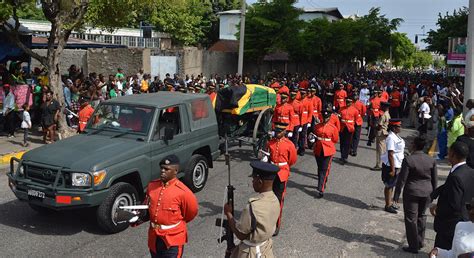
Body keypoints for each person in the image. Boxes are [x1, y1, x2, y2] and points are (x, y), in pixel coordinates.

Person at [131, 155, 198, 258]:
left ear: (175, 171)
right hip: (154, 238)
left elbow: (190, 214)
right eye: (161, 168)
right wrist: (135, 217)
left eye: (166, 169)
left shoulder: (183, 192)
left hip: (173, 239)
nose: (162, 171)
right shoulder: (152, 186)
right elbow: (147, 208)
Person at [224, 161, 280, 258]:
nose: (252, 181)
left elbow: (241, 235)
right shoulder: (275, 200)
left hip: (251, 253)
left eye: (254, 179)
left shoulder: (253, 206)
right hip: (265, 249)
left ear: (260, 182)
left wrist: (229, 214)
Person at [393, 136, 437, 253]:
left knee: (411, 218)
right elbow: (434, 180)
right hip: (427, 192)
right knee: (422, 216)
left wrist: (396, 195)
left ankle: (413, 246)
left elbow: (402, 179)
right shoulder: (431, 160)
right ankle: (420, 241)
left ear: (414, 145)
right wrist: (433, 194)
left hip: (412, 192)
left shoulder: (409, 160)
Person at [431, 141, 474, 249]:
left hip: (449, 226)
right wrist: (437, 192)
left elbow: (454, 205)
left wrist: (437, 209)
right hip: (465, 219)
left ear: (453, 154)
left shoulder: (456, 176)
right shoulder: (469, 171)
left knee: (442, 251)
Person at [266, 122, 297, 235]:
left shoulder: (289, 145)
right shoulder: (271, 143)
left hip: (282, 173)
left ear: (284, 132)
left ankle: (276, 224)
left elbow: (292, 160)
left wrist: (283, 167)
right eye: (277, 131)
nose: (278, 133)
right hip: (271, 172)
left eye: (280, 132)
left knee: (278, 200)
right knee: (268, 197)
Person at [312, 110, 339, 198]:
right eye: (324, 117)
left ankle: (321, 189)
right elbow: (314, 135)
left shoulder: (333, 128)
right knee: (320, 168)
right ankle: (323, 181)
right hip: (318, 149)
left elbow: (335, 139)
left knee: (324, 169)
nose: (325, 119)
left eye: (327, 118)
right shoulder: (317, 126)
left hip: (328, 150)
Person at [380, 118, 405, 214]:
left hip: (397, 163)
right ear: (394, 128)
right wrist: (393, 169)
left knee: (392, 184)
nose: (401, 128)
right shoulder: (391, 137)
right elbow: (390, 154)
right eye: (399, 126)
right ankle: (388, 205)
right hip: (391, 165)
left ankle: (390, 203)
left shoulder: (396, 136)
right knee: (389, 185)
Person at [338, 98, 359, 165]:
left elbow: (356, 119)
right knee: (342, 142)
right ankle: (342, 155)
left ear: (351, 103)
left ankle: (345, 157)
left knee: (347, 143)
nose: (348, 103)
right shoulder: (341, 109)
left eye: (349, 102)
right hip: (342, 127)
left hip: (349, 127)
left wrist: (352, 125)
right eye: (347, 102)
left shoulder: (355, 110)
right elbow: (339, 117)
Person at [371, 102, 391, 171]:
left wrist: (374, 127)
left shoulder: (383, 115)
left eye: (382, 106)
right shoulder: (388, 114)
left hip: (381, 133)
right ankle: (383, 164)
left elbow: (379, 126)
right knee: (383, 149)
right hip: (385, 133)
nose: (381, 107)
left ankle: (379, 165)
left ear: (385, 107)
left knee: (379, 150)